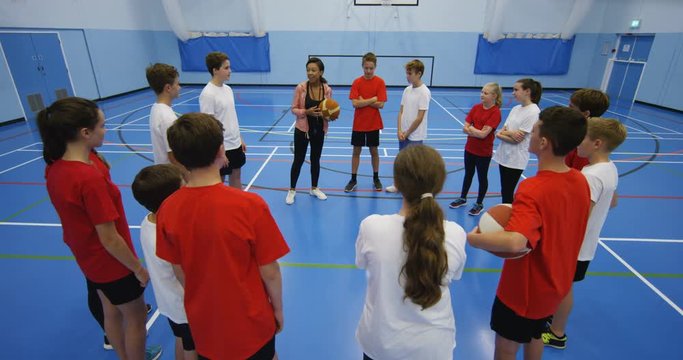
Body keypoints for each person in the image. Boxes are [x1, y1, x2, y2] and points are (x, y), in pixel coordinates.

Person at [157, 112, 290, 359]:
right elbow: (270, 271)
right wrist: (278, 309)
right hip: (252, 323)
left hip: (205, 324)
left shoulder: (167, 209)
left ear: (176, 158)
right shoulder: (250, 205)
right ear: (221, 151)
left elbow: (178, 270)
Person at [37, 97, 161, 360]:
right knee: (136, 318)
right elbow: (109, 237)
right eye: (102, 126)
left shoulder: (56, 167)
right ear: (84, 132)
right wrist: (137, 268)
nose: (105, 131)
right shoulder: (87, 178)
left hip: (89, 259)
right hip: (112, 263)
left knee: (110, 311)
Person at [467, 106, 591, 360]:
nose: (530, 134)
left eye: (534, 130)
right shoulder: (580, 181)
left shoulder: (533, 189)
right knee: (534, 335)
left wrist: (474, 238)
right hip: (555, 284)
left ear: (543, 142)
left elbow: (515, 242)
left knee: (506, 347)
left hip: (524, 291)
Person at [356, 144, 466, 360]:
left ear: (396, 184)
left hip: (381, 344)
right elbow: (455, 275)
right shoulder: (455, 233)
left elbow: (362, 263)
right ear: (439, 185)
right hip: (434, 348)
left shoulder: (372, 227)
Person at [542, 118, 627, 349]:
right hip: (585, 244)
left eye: (583, 137)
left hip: (574, 246)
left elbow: (578, 217)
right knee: (563, 286)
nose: (578, 141)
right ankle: (553, 319)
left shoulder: (589, 176)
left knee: (563, 287)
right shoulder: (609, 168)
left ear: (597, 143)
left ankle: (557, 333)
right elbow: (612, 202)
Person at [132, 164, 198, 360]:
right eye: (183, 185)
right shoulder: (171, 234)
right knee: (192, 348)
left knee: (182, 339)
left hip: (169, 302)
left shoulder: (148, 222)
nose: (187, 186)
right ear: (171, 198)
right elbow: (187, 273)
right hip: (185, 304)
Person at [449, 82, 503, 215]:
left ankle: (479, 203)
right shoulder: (475, 108)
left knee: (482, 177)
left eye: (485, 93)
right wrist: (475, 131)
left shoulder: (495, 112)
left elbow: (483, 134)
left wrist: (471, 129)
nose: (482, 95)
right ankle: (463, 198)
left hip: (483, 152)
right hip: (469, 149)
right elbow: (464, 128)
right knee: (468, 174)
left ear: (494, 96)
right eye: (481, 92)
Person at [286, 57, 333, 204]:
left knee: (315, 160)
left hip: (319, 130)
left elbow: (329, 111)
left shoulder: (327, 89)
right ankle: (292, 190)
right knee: (298, 160)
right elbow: (294, 109)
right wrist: (306, 112)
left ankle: (314, 188)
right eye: (308, 70)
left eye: (313, 70)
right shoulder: (301, 88)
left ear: (321, 72)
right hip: (302, 129)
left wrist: (330, 116)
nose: (310, 73)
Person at [199, 51, 246, 189]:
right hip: (222, 147)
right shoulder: (208, 94)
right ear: (215, 70)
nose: (230, 71)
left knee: (236, 175)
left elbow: (231, 116)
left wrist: (239, 138)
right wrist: (220, 149)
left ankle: (237, 205)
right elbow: (209, 126)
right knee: (219, 179)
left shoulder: (228, 89)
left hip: (235, 143)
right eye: (226, 68)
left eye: (229, 67)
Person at [491, 78, 542, 203]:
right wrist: (509, 133)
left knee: (508, 191)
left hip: (516, 159)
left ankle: (509, 216)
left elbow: (517, 140)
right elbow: (501, 132)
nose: (513, 93)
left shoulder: (534, 112)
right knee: (504, 190)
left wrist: (504, 133)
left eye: (516, 90)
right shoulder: (515, 109)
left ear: (527, 91)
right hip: (504, 155)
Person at [385, 59, 431, 193]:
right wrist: (399, 130)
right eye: (407, 73)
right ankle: (399, 184)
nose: (407, 76)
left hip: (415, 135)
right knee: (402, 161)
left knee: (414, 164)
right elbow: (401, 111)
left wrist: (408, 132)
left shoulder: (424, 92)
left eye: (410, 73)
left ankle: (415, 188)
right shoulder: (407, 90)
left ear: (419, 74)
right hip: (403, 133)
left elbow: (420, 117)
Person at [344, 52, 387, 193]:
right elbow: (355, 104)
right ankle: (353, 179)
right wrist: (373, 99)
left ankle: (376, 177)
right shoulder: (357, 82)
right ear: (362, 66)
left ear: (375, 67)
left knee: (374, 151)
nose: (368, 71)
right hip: (359, 124)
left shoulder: (380, 82)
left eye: (371, 68)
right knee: (356, 151)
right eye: (366, 68)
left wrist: (363, 100)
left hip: (373, 124)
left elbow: (381, 105)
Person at [564, 88, 610, 170]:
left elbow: (577, 174)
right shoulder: (575, 131)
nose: (567, 109)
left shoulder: (584, 141)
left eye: (571, 107)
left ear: (586, 113)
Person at [146, 63, 181, 165]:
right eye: (177, 84)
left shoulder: (156, 107)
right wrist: (188, 176)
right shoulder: (167, 117)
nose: (179, 87)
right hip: (172, 174)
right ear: (168, 88)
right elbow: (172, 156)